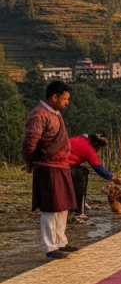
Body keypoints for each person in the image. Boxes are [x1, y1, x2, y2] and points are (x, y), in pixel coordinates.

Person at [22, 80, 79, 259]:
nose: (67, 102)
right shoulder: (39, 115)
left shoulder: (55, 113)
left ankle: (61, 241)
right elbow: (30, 143)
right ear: (54, 97)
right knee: (50, 207)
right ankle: (50, 246)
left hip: (61, 166)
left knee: (63, 206)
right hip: (47, 167)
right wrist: (30, 161)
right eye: (65, 98)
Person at [68, 133, 121, 222]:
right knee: (81, 175)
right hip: (62, 164)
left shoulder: (83, 139)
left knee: (81, 171)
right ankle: (79, 211)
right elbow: (99, 168)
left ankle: (73, 206)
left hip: (60, 161)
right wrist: (112, 178)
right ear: (95, 144)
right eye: (98, 147)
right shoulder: (89, 149)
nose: (98, 151)